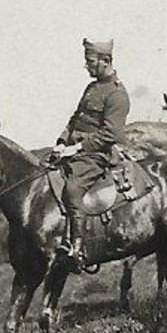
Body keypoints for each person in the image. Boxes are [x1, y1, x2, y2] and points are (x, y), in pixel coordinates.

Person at [50, 38, 130, 264]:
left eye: (90, 61)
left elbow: (110, 135)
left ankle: (78, 248)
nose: (86, 66)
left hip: (95, 155)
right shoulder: (92, 87)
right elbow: (76, 118)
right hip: (72, 149)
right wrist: (61, 141)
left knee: (73, 188)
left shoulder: (117, 94)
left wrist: (77, 147)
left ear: (105, 61)